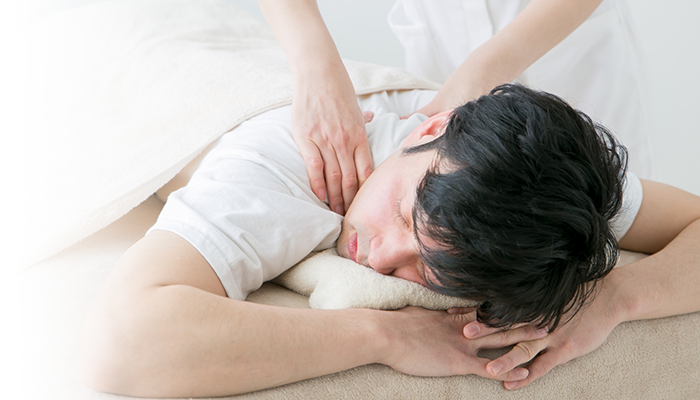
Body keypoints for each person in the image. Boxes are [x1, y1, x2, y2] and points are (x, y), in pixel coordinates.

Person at [82, 85, 700, 397]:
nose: (378, 257)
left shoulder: (547, 194)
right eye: (403, 213)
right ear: (428, 130)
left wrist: (614, 298)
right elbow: (122, 344)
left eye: (429, 271)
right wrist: (385, 336)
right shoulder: (275, 175)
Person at [257, 0, 652, 218]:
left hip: (564, 47)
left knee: (598, 220)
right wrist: (317, 71)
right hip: (440, 46)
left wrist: (482, 70)